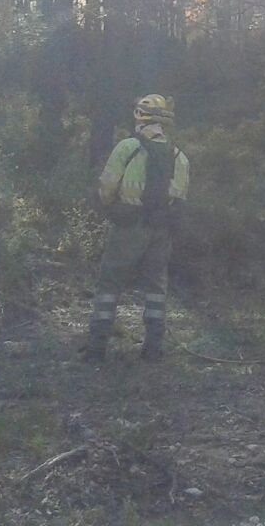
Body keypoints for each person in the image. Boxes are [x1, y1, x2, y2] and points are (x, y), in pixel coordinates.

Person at [84, 94, 191, 363]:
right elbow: (179, 199)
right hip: (160, 231)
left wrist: (108, 208)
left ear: (139, 117)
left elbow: (106, 188)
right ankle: (153, 348)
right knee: (156, 287)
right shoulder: (180, 157)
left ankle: (97, 347)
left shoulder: (127, 147)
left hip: (129, 227)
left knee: (109, 283)